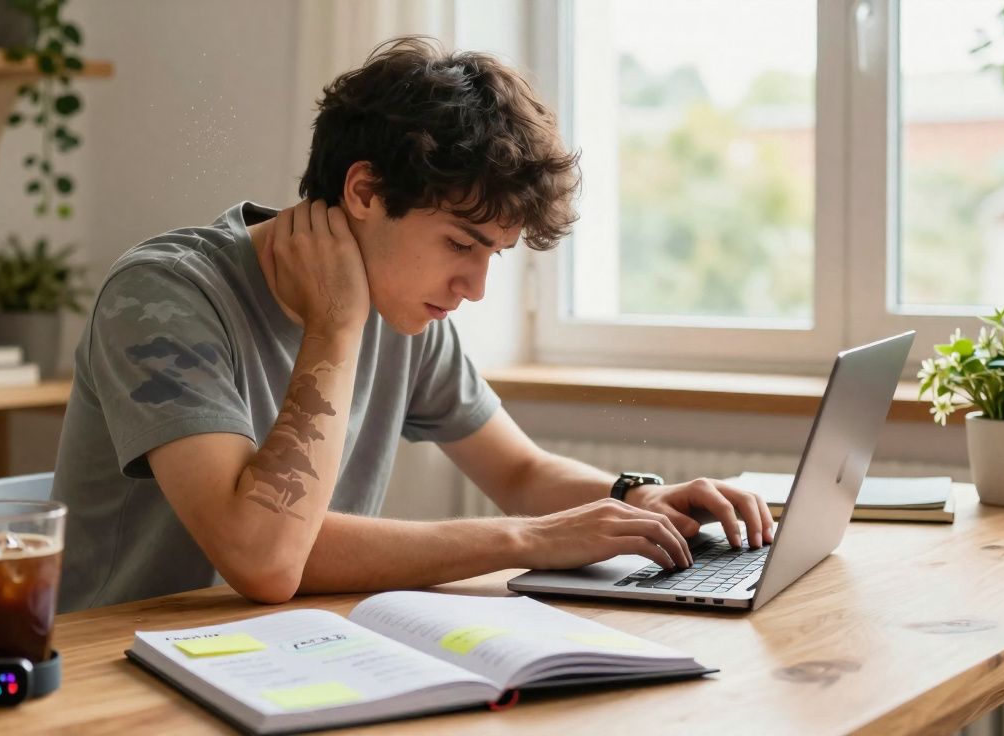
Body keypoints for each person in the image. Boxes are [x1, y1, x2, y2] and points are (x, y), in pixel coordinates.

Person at [51, 36, 774, 609]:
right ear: (364, 190)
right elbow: (265, 556)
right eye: (462, 244)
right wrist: (335, 325)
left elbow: (520, 471)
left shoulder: (410, 310)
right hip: (120, 669)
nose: (476, 286)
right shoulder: (163, 296)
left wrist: (635, 499)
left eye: (494, 254)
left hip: (293, 650)